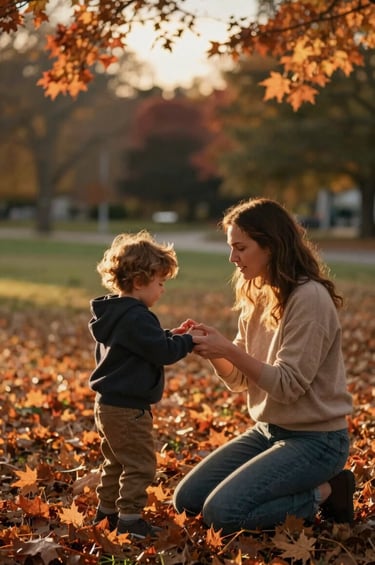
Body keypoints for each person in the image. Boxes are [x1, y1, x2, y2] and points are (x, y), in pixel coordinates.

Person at [173, 197, 355, 535]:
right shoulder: (257, 292)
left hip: (318, 440)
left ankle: (328, 490)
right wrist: (217, 353)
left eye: (241, 247)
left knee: (224, 515)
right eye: (231, 247)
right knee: (187, 500)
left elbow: (287, 385)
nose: (232, 258)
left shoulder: (309, 299)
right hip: (270, 431)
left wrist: (228, 348)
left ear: (270, 246)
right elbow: (241, 380)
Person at [89, 230, 195, 539]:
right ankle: (130, 521)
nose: (162, 290)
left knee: (116, 462)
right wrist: (187, 342)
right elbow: (161, 352)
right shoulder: (137, 317)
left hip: (108, 405)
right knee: (141, 465)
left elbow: (145, 345)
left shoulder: (117, 315)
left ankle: (106, 513)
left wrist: (170, 334)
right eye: (160, 283)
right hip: (128, 409)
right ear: (139, 282)